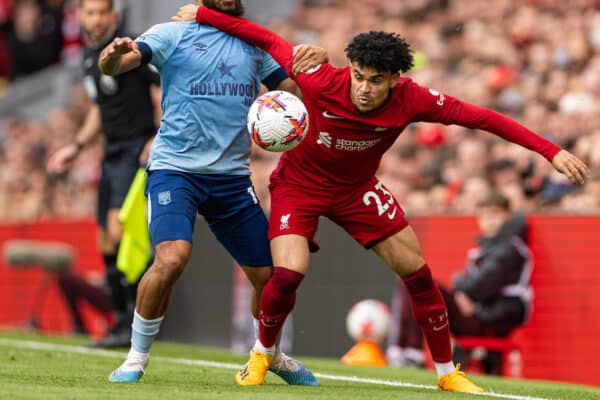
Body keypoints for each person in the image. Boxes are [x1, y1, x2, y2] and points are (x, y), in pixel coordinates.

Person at [174, 4, 590, 393]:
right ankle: (263, 353)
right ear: (350, 68)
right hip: (298, 186)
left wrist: (550, 151)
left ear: (394, 78)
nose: (364, 89)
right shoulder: (319, 78)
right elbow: (263, 36)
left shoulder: (413, 99)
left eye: (376, 80)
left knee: (419, 273)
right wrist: (204, 14)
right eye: (359, 76)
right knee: (287, 274)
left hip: (356, 191)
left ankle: (447, 374)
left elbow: (483, 117)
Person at [97, 0, 326, 385]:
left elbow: (292, 92)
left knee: (270, 278)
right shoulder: (173, 33)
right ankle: (135, 358)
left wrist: (314, 64)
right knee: (171, 260)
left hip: (232, 180)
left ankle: (271, 354)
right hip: (175, 171)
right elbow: (123, 62)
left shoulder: (254, 44)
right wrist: (110, 59)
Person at [46, 0, 159, 347]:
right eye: (89, 13)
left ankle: (137, 323)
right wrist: (76, 146)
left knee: (118, 227)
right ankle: (120, 322)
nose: (95, 19)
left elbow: (161, 93)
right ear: (80, 17)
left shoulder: (130, 50)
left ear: (113, 16)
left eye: (101, 13)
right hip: (110, 153)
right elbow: (99, 109)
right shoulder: (89, 57)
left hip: (135, 148)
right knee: (104, 241)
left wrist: (158, 136)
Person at [388, 192, 533, 374]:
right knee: (412, 281)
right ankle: (405, 352)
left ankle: (412, 354)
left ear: (508, 217)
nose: (490, 221)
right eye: (484, 215)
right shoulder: (485, 249)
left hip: (489, 320)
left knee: (418, 281)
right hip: (477, 316)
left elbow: (482, 284)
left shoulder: (511, 248)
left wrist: (462, 288)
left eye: (495, 214)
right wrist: (464, 293)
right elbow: (475, 285)